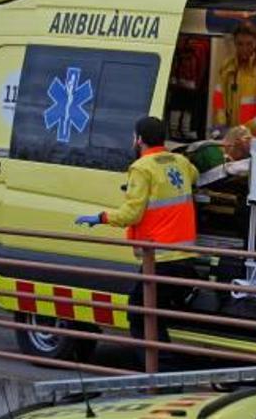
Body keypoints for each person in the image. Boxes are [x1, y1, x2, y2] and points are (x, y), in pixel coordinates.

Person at [75, 116, 199, 341]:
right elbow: (194, 176)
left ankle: (157, 370)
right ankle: (161, 366)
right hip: (184, 256)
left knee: (140, 316)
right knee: (153, 316)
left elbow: (131, 213)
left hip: (159, 259)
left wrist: (101, 217)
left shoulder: (142, 168)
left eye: (135, 136)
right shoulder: (180, 162)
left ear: (139, 139)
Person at [211, 21, 256, 138]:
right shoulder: (228, 67)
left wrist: (246, 130)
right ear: (235, 43)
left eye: (249, 44)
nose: (244, 48)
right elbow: (219, 100)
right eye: (240, 44)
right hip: (235, 137)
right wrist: (221, 128)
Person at [187, 125, 253, 173]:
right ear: (237, 141)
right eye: (248, 139)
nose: (251, 143)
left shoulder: (246, 156)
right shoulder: (209, 152)